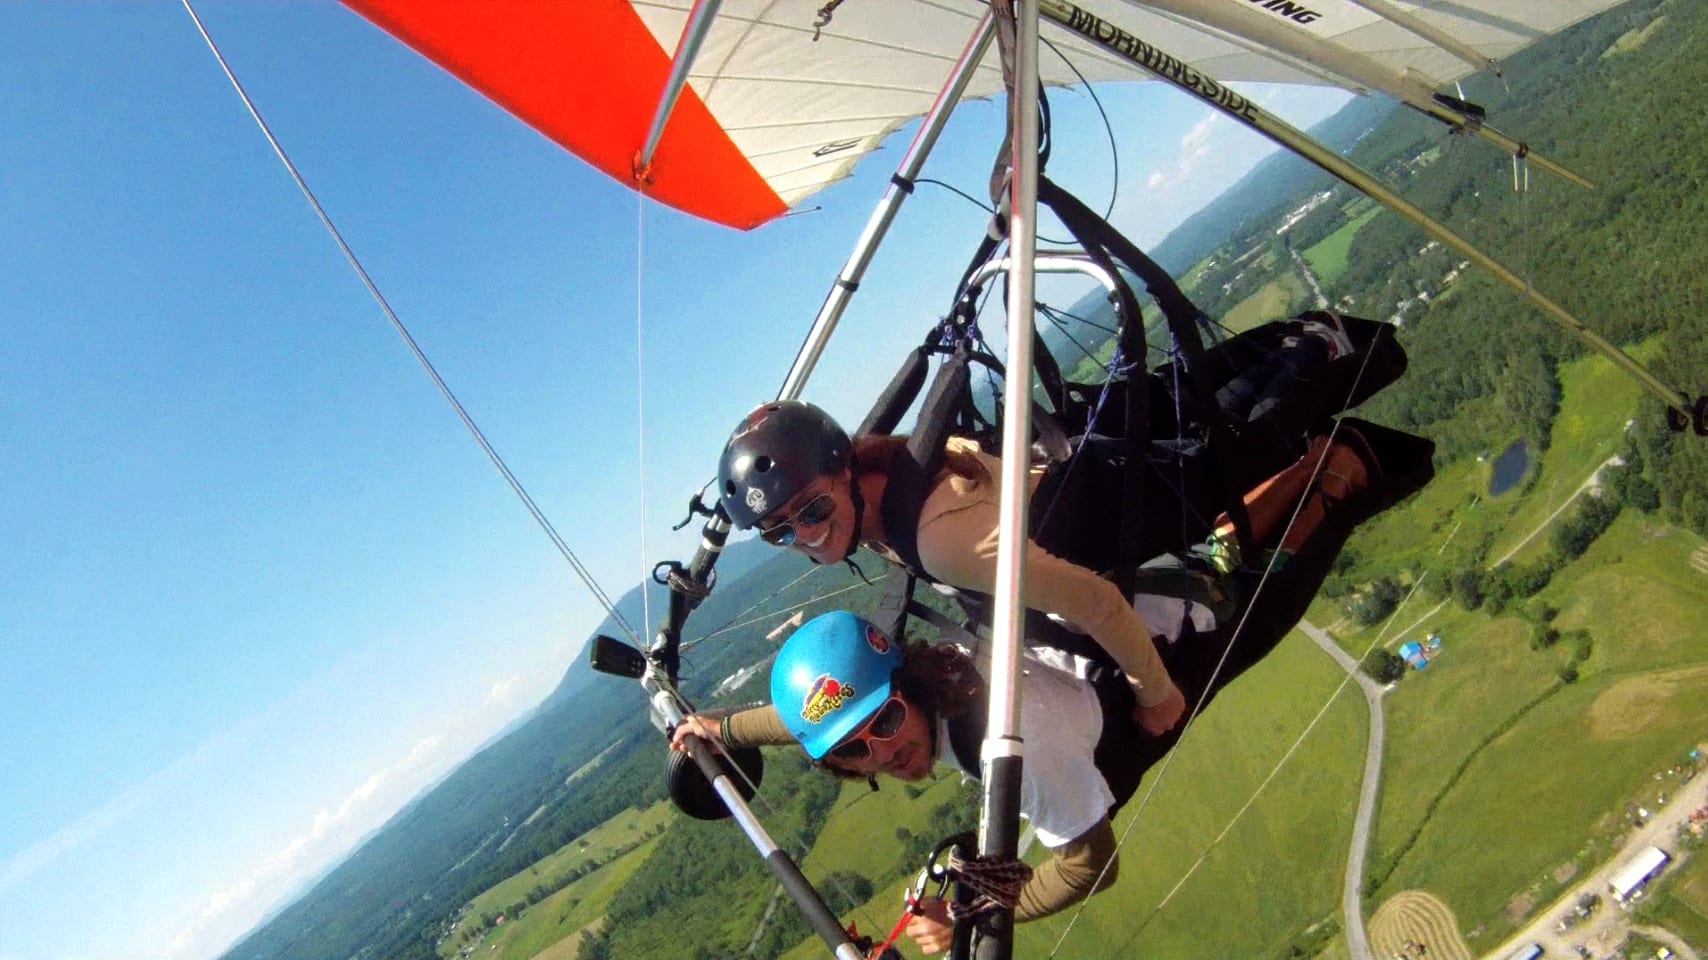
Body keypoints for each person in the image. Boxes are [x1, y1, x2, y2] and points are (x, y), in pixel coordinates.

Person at [715, 399, 1375, 736]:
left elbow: (1094, 603)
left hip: (1114, 539)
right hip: (1088, 512)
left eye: (813, 509)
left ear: (844, 471)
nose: (805, 536)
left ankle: (1335, 469)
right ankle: (1315, 462)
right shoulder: (886, 486)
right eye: (778, 531)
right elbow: (843, 692)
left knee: (1221, 584)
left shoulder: (938, 539)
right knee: (1214, 563)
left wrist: (1157, 693)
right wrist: (723, 727)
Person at [669, 606, 1281, 954]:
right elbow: (806, 719)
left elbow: (1089, 865)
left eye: (886, 720)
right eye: (854, 751)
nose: (884, 751)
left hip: (1170, 664)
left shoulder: (1010, 743)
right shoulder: (933, 684)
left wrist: (971, 916)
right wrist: (719, 731)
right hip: (1102, 658)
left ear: (909, 686)